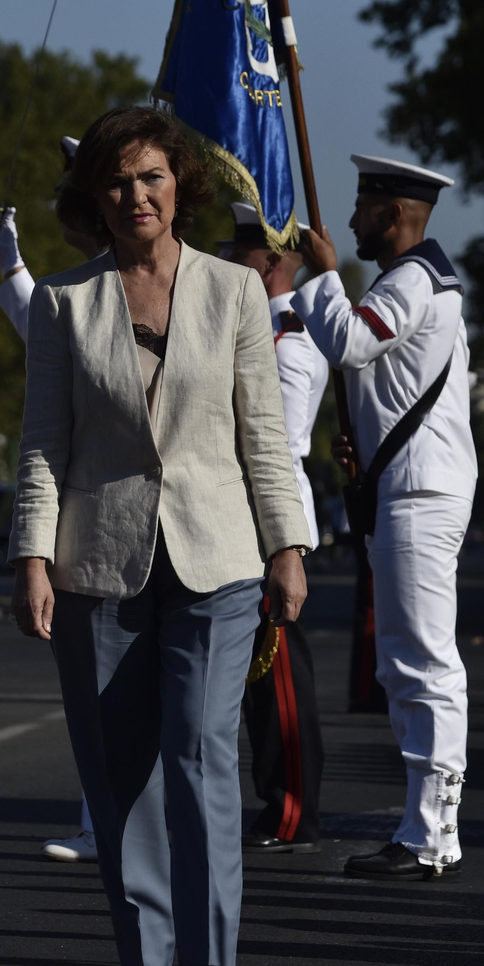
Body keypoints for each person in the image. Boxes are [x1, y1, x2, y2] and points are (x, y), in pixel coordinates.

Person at [10, 106, 310, 966]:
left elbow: (263, 434)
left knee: (200, 747)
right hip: (96, 563)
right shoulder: (63, 302)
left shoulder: (236, 291)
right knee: (119, 771)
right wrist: (33, 557)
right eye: (116, 181)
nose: (136, 195)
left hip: (218, 558)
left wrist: (287, 544)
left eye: (152, 177)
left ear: (181, 188)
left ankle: (212, 961)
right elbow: (41, 445)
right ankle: (148, 963)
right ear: (92, 199)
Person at [291, 154, 479, 880]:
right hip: (406, 485)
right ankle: (428, 826)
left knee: (421, 661)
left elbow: (352, 341)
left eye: (364, 207)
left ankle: (431, 833)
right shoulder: (418, 279)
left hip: (420, 494)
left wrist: (321, 274)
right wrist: (363, 437)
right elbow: (388, 378)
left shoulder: (412, 279)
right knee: (409, 660)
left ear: (396, 214)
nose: (350, 220)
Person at [0, 135, 107, 865]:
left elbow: (69, 340)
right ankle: (107, 823)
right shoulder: (83, 284)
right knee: (101, 687)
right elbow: (61, 340)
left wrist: (15, 268)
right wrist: (13, 267)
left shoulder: (168, 280)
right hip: (97, 516)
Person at [219, 201, 329, 856]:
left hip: (268, 522)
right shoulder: (260, 329)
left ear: (268, 262)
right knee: (261, 680)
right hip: (249, 518)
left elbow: (275, 446)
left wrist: (278, 543)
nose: (228, 262)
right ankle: (280, 801)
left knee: (277, 676)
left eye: (237, 253)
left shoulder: (285, 340)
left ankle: (292, 809)